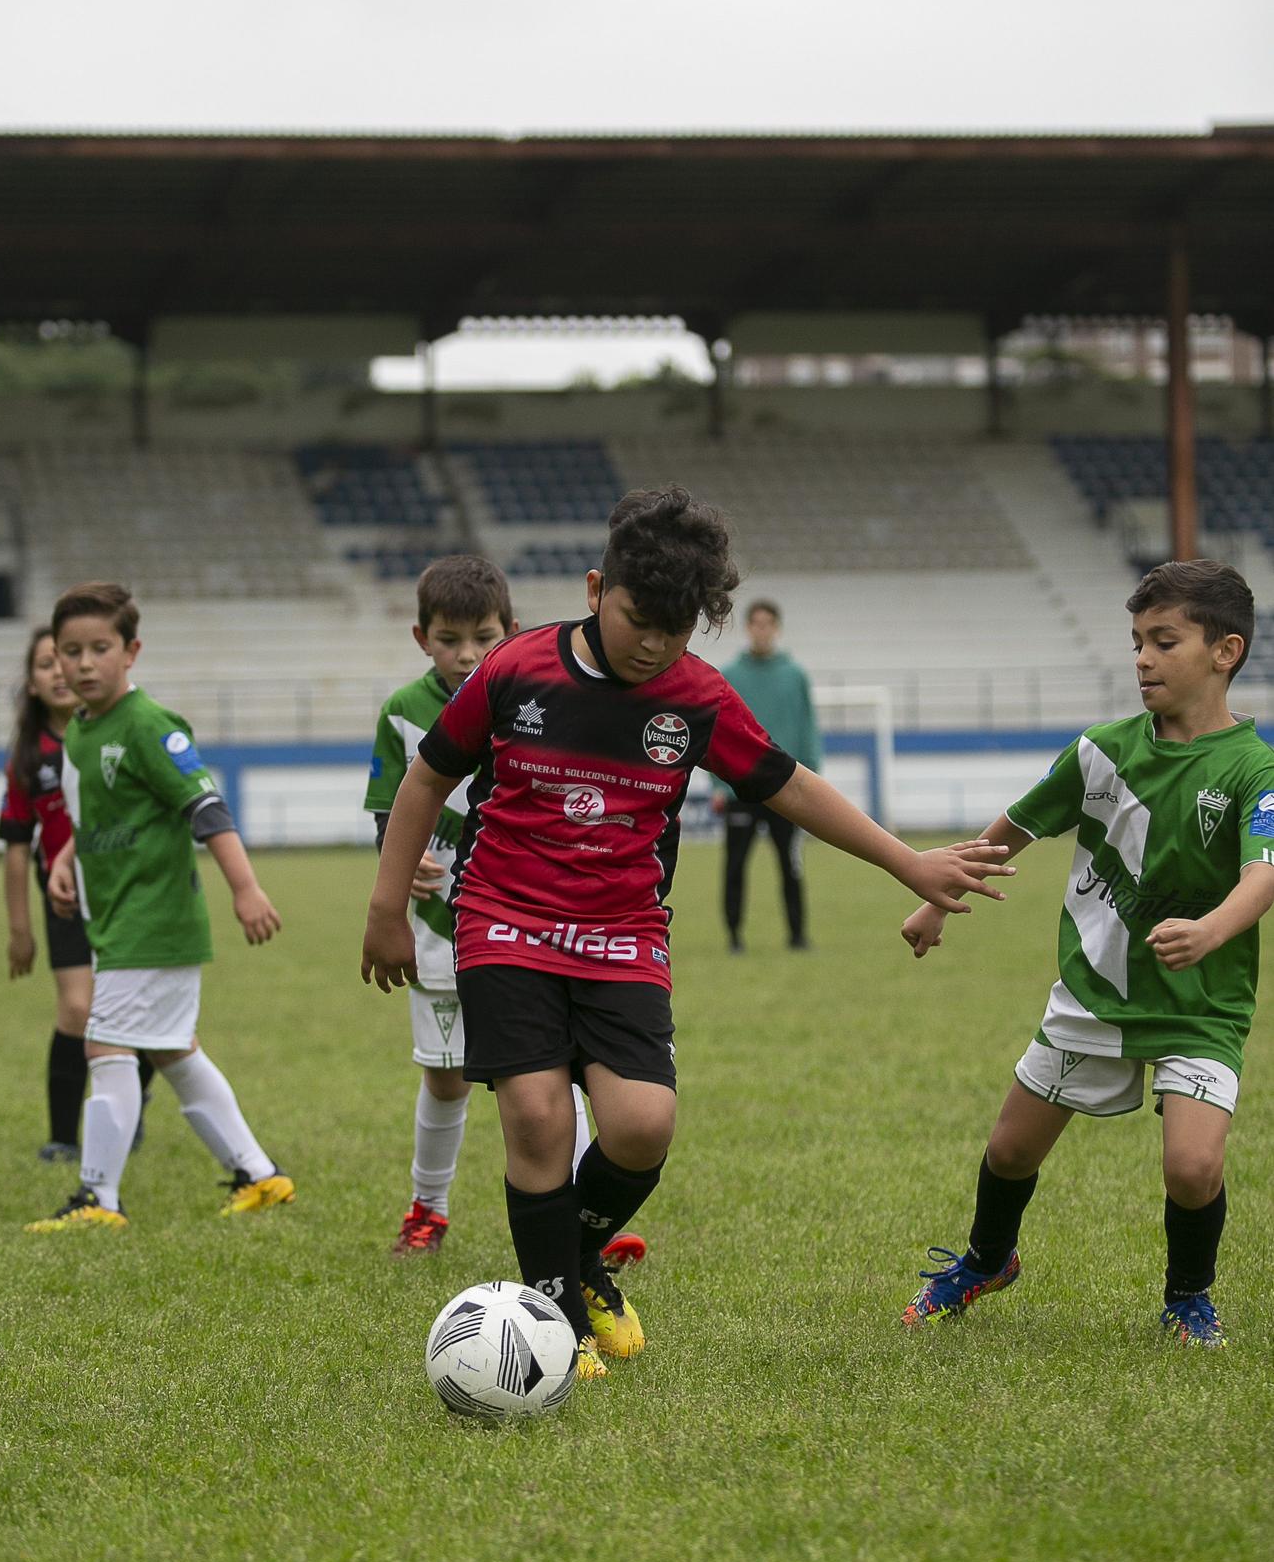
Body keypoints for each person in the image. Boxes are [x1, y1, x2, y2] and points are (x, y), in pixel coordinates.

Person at [361, 488, 1011, 1379]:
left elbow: (790, 785)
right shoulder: (514, 668)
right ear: (597, 589)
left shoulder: (696, 697)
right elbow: (427, 780)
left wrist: (909, 864)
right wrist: (386, 909)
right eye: (638, 620)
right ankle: (556, 1325)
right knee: (540, 1118)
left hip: (624, 931)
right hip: (504, 920)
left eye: (676, 628)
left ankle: (580, 1261)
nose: (655, 644)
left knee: (641, 1125)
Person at [899, 559, 1274, 1349]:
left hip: (1200, 1004)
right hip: (1094, 994)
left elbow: (1263, 872)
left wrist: (1209, 931)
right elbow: (1012, 827)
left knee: (1192, 1168)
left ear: (1225, 650)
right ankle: (985, 1260)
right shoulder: (1101, 751)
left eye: (1163, 641)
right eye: (1136, 640)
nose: (1141, 657)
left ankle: (1188, 1299)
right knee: (1009, 1151)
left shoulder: (1254, 767)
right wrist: (937, 901)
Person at [26, 581, 293, 1232]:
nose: (83, 663)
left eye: (99, 648)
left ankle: (98, 1199)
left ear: (131, 651)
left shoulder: (148, 725)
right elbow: (97, 815)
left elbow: (204, 806)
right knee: (173, 1052)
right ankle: (260, 1176)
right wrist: (64, 863)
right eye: (70, 651)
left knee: (107, 1046)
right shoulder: (83, 732)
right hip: (116, 919)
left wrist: (245, 887)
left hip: (153, 921)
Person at [366, 554, 598, 1255]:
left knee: (553, 1069)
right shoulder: (403, 714)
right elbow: (387, 808)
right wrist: (399, 863)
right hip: (440, 927)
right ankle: (427, 1209)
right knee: (445, 1078)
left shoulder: (537, 698)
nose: (467, 654)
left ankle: (589, 1214)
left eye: (484, 636)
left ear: (512, 629)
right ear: (421, 638)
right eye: (449, 639)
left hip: (529, 920)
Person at [0, 626, 155, 1161]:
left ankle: (130, 1101)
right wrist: (20, 929)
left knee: (140, 1010)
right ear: (34, 684)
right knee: (77, 1009)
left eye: (58, 660)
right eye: (43, 664)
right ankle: (64, 1136)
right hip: (64, 897)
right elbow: (17, 847)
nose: (57, 672)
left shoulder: (120, 734)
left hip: (127, 891)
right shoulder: (26, 757)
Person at [709, 598, 821, 951]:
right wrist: (716, 783)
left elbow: (808, 727)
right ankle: (734, 936)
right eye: (755, 623)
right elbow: (714, 731)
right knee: (735, 866)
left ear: (776, 628)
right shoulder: (729, 675)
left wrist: (812, 775)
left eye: (767, 624)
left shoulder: (795, 675)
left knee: (790, 867)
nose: (761, 630)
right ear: (747, 628)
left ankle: (798, 935)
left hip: (786, 788)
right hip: (739, 788)